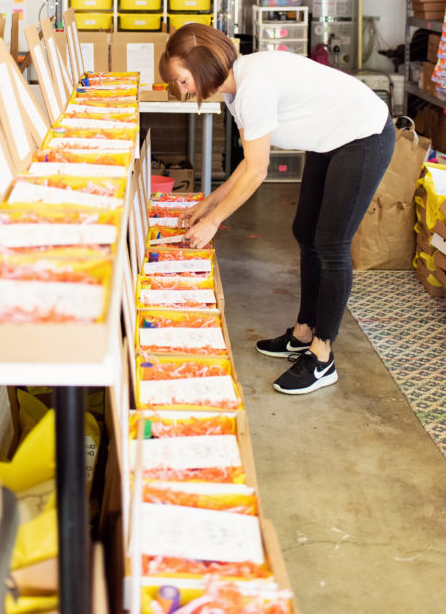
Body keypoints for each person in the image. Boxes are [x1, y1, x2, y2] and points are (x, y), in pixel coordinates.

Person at [159, 23, 394, 396]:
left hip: (363, 135)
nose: (182, 91)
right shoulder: (237, 90)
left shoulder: (254, 86)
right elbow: (250, 160)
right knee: (306, 232)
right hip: (331, 139)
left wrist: (213, 222)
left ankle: (322, 356)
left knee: (331, 243)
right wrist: (208, 203)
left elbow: (258, 171)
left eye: (183, 80)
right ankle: (304, 332)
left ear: (203, 68)